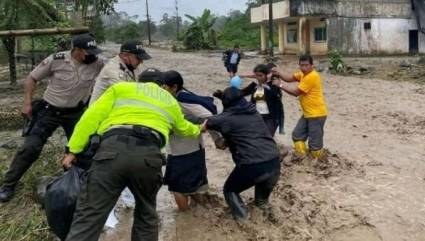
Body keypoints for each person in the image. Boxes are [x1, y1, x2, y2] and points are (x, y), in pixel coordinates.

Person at [61, 71, 203, 241]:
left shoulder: (120, 88)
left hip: (110, 152)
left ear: (138, 81)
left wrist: (72, 150)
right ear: (162, 85)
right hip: (148, 157)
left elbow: (90, 118)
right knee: (146, 215)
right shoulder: (169, 100)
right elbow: (184, 128)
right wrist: (200, 129)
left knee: (89, 216)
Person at [0, 33, 104, 202]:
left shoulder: (97, 62)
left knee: (82, 149)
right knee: (30, 148)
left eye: (94, 51)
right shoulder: (57, 60)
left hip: (77, 113)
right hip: (50, 111)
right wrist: (27, 103)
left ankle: (76, 183)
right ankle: (8, 185)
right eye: (88, 52)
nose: (92, 55)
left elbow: (111, 74)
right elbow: (31, 78)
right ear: (76, 50)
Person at [204, 87, 281, 221]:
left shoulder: (225, 119)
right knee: (261, 203)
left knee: (230, 190)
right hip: (274, 162)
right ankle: (272, 223)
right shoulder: (253, 112)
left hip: (253, 166)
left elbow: (204, 124)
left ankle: (245, 223)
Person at [161, 70, 221, 211]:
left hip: (184, 151)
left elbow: (211, 118)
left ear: (174, 87)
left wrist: (216, 138)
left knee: (177, 188)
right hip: (191, 149)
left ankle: (185, 219)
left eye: (164, 86)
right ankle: (200, 216)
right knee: (194, 187)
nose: (162, 89)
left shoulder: (182, 100)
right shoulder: (182, 97)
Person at [271, 54, 328, 158]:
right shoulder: (303, 74)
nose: (304, 68)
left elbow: (296, 92)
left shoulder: (312, 76)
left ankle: (318, 163)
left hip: (317, 114)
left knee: (315, 145)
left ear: (312, 66)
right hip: (308, 113)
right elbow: (289, 78)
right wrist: (279, 72)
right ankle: (303, 159)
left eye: (306, 65)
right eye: (302, 65)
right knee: (297, 136)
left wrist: (280, 85)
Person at [89, 40, 151, 104]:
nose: (141, 62)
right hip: (99, 111)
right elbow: (127, 96)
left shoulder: (131, 66)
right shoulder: (112, 70)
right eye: (138, 58)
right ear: (125, 56)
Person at [241, 64, 284, 137]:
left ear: (266, 75)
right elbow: (240, 93)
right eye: (257, 76)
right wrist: (223, 94)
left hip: (271, 118)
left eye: (261, 76)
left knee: (267, 137)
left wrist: (266, 86)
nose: (258, 78)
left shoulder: (273, 86)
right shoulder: (254, 86)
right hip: (257, 116)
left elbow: (276, 97)